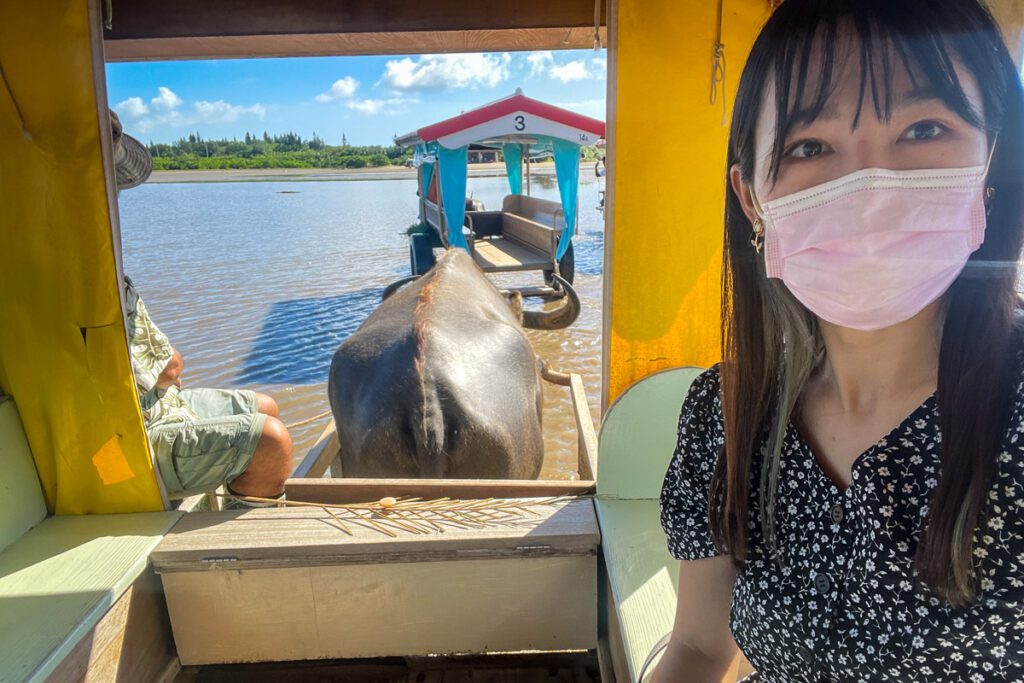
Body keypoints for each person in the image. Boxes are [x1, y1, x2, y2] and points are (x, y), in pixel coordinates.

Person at [655, 1, 1024, 681]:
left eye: (923, 128)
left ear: (993, 167)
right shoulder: (724, 414)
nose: (871, 190)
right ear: (751, 199)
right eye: (810, 147)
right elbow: (700, 649)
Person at [112, 110, 293, 503]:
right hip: (133, 433)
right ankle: (250, 543)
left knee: (267, 405)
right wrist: (169, 363)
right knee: (271, 440)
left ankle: (241, 496)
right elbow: (169, 368)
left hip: (160, 405)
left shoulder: (97, 269)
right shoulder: (95, 280)